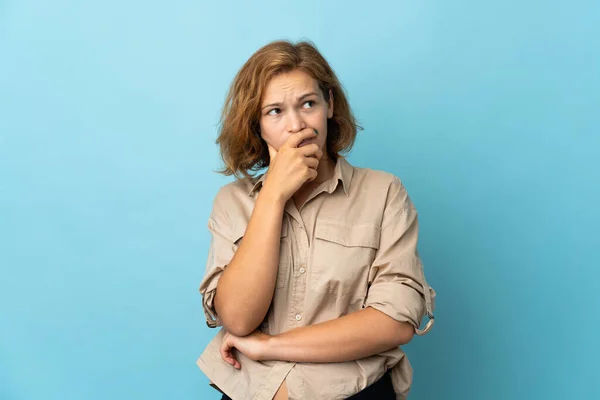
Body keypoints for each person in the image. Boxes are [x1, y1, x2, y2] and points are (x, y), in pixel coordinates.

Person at [196, 40, 436, 400]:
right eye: (275, 111)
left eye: (308, 104)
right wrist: (273, 196)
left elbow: (394, 322)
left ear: (329, 105)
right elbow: (239, 319)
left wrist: (271, 346)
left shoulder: (383, 193)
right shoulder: (233, 202)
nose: (296, 125)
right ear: (257, 125)